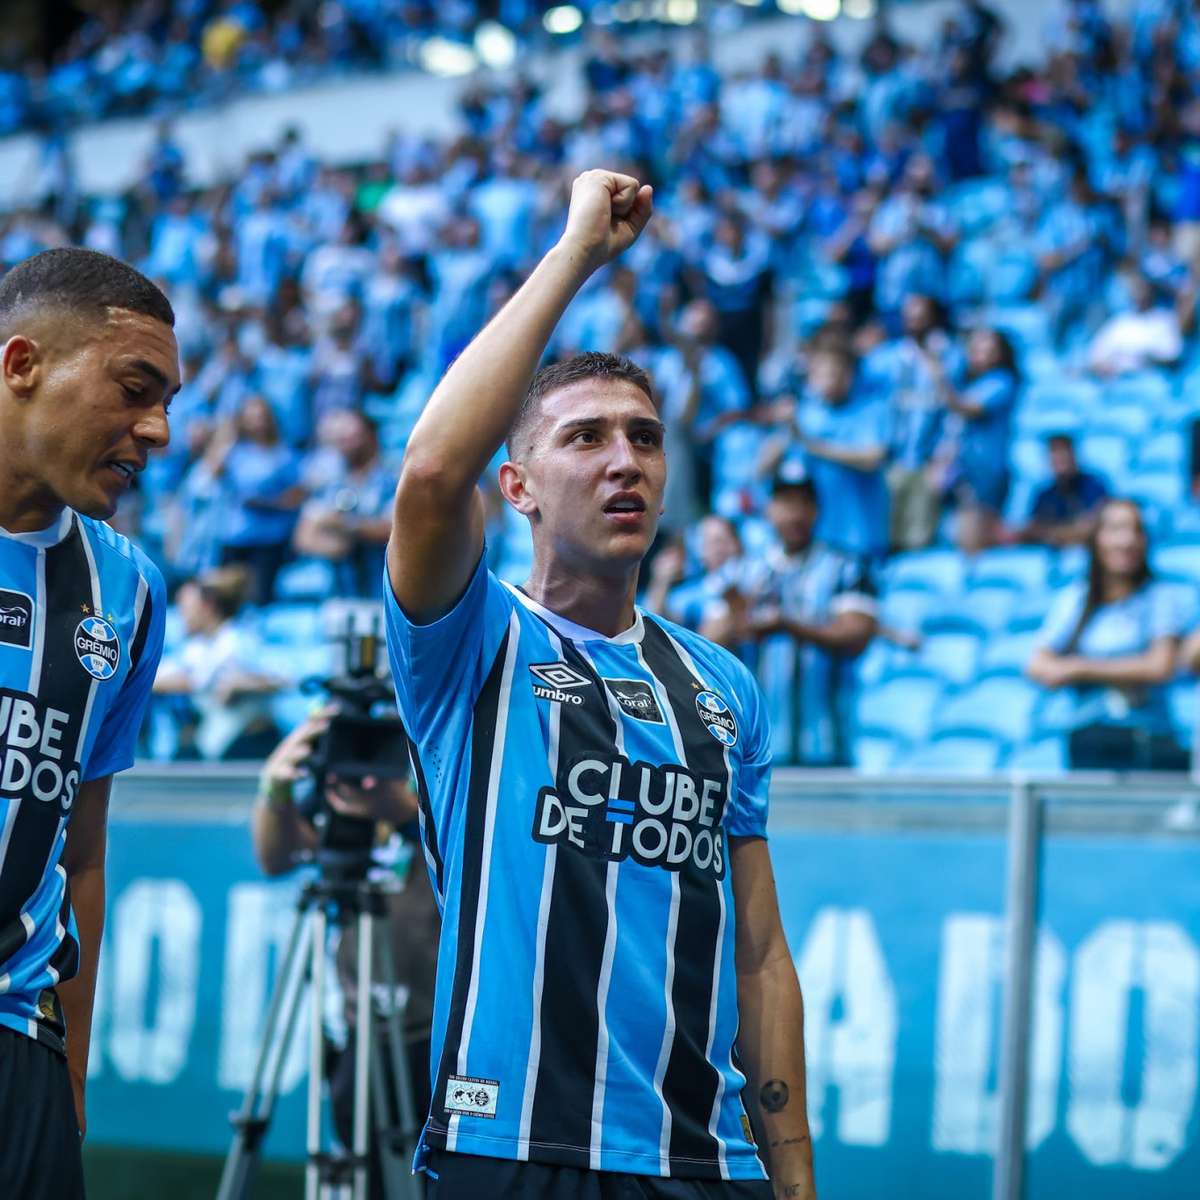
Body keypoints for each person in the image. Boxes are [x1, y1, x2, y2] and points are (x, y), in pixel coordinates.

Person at [385, 171, 815, 1199]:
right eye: (585, 438)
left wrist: (794, 1175)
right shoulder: (470, 640)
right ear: (519, 487)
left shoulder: (721, 685)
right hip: (511, 1150)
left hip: (703, 1161)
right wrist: (577, 254)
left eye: (645, 438)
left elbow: (758, 952)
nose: (625, 461)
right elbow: (434, 472)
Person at [0, 247, 177, 1199]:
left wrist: (71, 1070)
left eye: (168, 401)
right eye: (134, 388)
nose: (156, 429)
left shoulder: (131, 590)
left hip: (20, 1049)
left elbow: (83, 853)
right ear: (22, 365)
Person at [252, 710, 440, 1199]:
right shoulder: (336, 806)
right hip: (362, 1028)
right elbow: (275, 857)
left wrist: (400, 806)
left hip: (436, 1030)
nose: (363, 773)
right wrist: (276, 788)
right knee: (369, 1167)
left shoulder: (435, 798)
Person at [703, 470, 878, 766]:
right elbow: (707, 642)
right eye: (785, 503)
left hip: (828, 745)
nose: (795, 514)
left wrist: (787, 625)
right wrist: (739, 616)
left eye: (803, 503)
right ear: (769, 509)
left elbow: (856, 633)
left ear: (816, 510)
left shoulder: (846, 568)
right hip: (757, 750)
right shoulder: (742, 572)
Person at [1027, 498, 1188, 770]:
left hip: (1147, 743)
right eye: (1115, 529)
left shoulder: (1160, 597)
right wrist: (1125, 670)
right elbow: (1038, 664)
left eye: (1135, 530)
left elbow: (1159, 666)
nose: (1126, 541)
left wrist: (1079, 668)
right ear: (1097, 539)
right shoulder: (1076, 599)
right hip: (1088, 743)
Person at [151, 565, 280, 759]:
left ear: (208, 606)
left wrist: (244, 684)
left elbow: (279, 679)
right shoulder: (196, 647)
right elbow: (167, 677)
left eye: (185, 608)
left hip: (251, 744)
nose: (180, 616)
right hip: (220, 743)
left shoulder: (238, 641)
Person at [294, 410, 394, 598]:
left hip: (383, 591)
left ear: (371, 436)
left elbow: (392, 531)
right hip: (339, 593)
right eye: (340, 438)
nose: (345, 443)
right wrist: (340, 546)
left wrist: (344, 525)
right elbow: (304, 537)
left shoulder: (391, 479)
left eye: (352, 436)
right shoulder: (330, 482)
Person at [1020, 433, 1109, 548]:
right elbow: (1034, 529)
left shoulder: (1094, 485)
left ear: (1074, 456)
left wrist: (1055, 533)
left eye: (1063, 453)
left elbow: (1095, 525)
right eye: (1054, 454)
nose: (1060, 459)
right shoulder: (1044, 495)